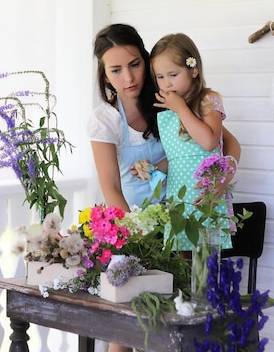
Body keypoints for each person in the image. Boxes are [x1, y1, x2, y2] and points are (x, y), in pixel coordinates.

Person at [88, 24, 240, 352]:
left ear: (147, 62)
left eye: (135, 65)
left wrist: (227, 173)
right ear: (105, 74)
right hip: (134, 229)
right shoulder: (105, 119)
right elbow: (112, 188)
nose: (128, 78)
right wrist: (137, 238)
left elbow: (224, 144)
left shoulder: (167, 104)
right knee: (128, 326)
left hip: (179, 221)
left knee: (174, 315)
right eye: (116, 70)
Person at [150, 32, 235, 251]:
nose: (166, 83)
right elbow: (179, 158)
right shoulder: (168, 113)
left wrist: (181, 108)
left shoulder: (207, 101)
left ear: (193, 70)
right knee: (182, 262)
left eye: (173, 74)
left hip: (205, 195)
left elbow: (208, 143)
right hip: (179, 198)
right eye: (160, 77)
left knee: (206, 261)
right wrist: (153, 168)